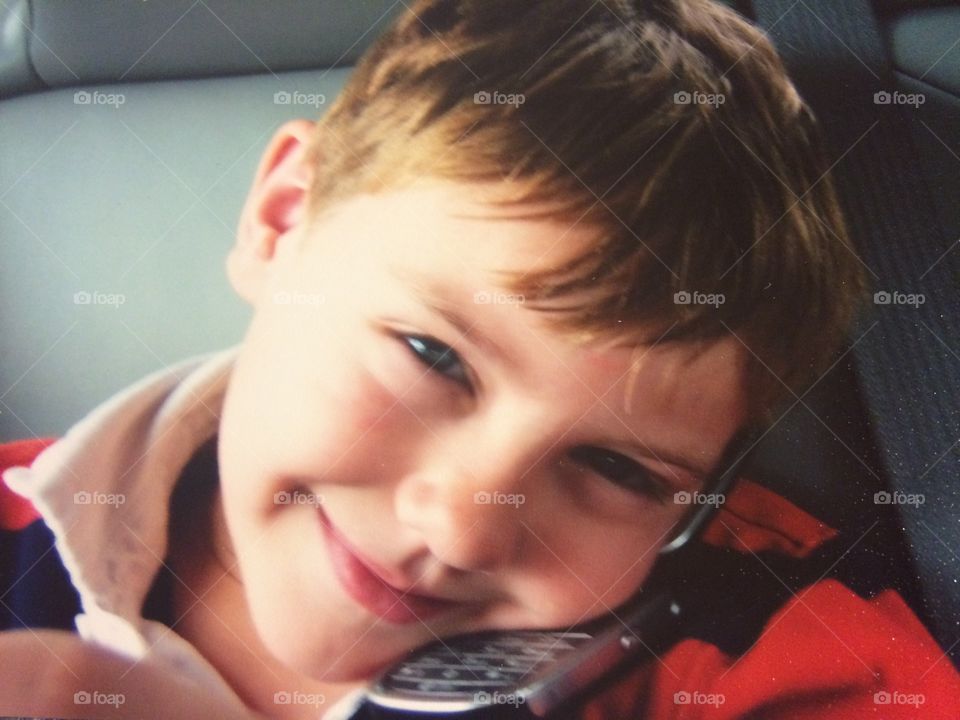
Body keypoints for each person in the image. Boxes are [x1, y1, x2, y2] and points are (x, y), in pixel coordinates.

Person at [1, 0, 958, 717]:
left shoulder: (782, 652)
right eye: (433, 356)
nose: (462, 530)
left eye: (615, 467)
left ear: (709, 490)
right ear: (284, 221)